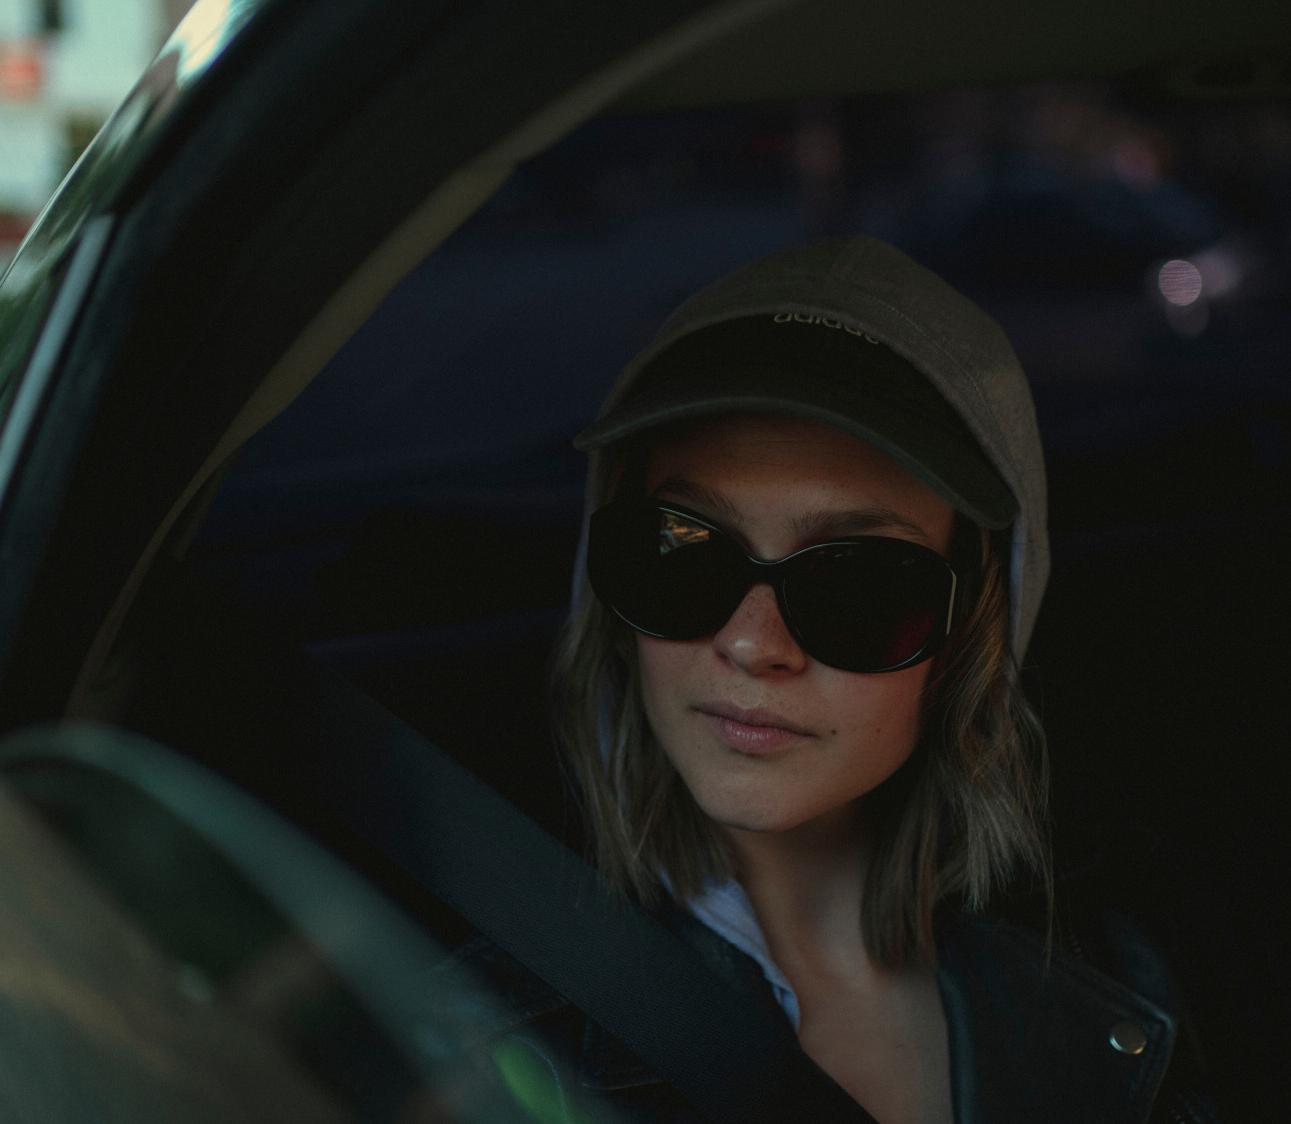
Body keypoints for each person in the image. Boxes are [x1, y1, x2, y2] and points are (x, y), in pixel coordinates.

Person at [445, 236, 1210, 1124]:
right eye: (681, 552)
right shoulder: (479, 1046)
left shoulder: (1123, 975)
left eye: (858, 586)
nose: (753, 644)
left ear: (974, 631)